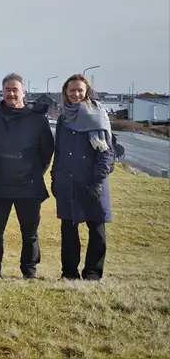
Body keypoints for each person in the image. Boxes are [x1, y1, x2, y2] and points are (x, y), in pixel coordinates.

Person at [0, 73, 55, 279]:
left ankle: (29, 270)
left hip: (29, 184)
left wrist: (34, 171)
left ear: (24, 92)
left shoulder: (38, 119)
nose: (11, 93)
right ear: (2, 92)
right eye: (7, 89)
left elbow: (46, 151)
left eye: (15, 89)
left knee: (29, 232)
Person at [52, 74, 114, 281]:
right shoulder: (63, 119)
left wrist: (98, 181)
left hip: (92, 181)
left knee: (96, 229)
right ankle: (69, 272)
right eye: (72, 90)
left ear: (86, 91)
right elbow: (58, 150)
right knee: (68, 230)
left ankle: (93, 272)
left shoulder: (98, 115)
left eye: (80, 90)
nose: (76, 94)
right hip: (67, 181)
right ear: (66, 93)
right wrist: (55, 176)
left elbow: (106, 153)